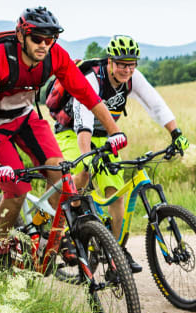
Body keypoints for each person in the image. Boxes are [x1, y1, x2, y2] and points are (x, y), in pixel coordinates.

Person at [0, 6, 126, 265]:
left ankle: (46, 233)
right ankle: (1, 243)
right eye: (37, 38)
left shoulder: (54, 55)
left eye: (50, 39)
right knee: (17, 189)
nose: (44, 45)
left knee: (60, 175)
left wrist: (114, 130)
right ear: (21, 35)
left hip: (27, 118)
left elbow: (88, 95)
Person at [54, 34, 189, 272]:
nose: (127, 69)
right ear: (110, 61)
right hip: (72, 132)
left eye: (131, 64)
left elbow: (155, 104)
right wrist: (86, 157)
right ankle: (65, 228)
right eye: (121, 64)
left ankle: (114, 250)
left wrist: (175, 132)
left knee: (116, 195)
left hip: (106, 137)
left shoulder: (132, 78)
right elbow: (83, 120)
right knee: (82, 175)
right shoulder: (92, 78)